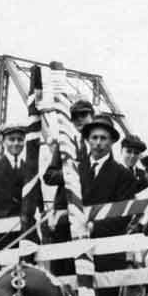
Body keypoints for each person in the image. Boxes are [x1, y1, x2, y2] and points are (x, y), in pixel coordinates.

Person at [81, 114, 138, 296]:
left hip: (107, 250)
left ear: (112, 141)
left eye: (103, 138)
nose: (98, 143)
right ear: (88, 140)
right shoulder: (74, 170)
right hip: (76, 247)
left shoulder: (123, 175)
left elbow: (123, 216)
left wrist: (92, 227)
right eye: (94, 138)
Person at [42, 99, 96, 274]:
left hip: (90, 212)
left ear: (92, 117)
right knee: (62, 266)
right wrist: (70, 172)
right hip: (65, 212)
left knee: (87, 264)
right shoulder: (65, 144)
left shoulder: (99, 144)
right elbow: (48, 176)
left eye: (84, 115)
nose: (79, 120)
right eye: (75, 117)